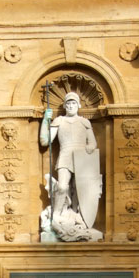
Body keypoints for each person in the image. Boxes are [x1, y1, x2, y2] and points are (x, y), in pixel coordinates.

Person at [40, 92, 97, 222]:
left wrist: (89, 148)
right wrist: (45, 121)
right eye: (68, 103)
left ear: (78, 105)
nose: (71, 106)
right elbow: (45, 141)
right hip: (65, 156)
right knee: (62, 187)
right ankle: (57, 215)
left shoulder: (84, 122)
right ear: (65, 106)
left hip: (82, 158)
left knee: (80, 189)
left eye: (73, 103)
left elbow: (93, 143)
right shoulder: (59, 121)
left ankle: (78, 215)